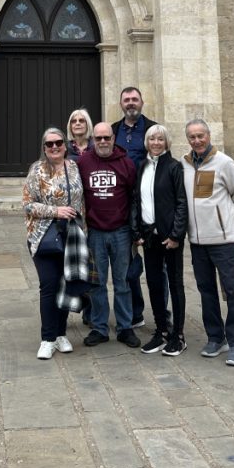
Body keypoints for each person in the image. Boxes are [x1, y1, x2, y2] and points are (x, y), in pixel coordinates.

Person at [181, 118, 234, 367]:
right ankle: (215, 337)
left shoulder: (225, 163)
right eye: (192, 137)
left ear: (208, 136)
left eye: (201, 135)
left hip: (224, 240)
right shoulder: (184, 165)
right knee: (206, 290)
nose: (197, 140)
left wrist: (230, 226)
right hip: (197, 241)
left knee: (232, 291)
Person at [22, 127, 84, 360]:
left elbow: (82, 201)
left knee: (66, 284)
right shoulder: (36, 170)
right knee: (48, 286)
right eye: (50, 144)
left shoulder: (74, 167)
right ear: (44, 148)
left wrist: (82, 230)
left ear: (65, 145)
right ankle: (47, 338)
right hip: (43, 236)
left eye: (58, 142)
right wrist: (55, 211)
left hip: (71, 235)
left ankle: (60, 333)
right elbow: (28, 205)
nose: (55, 147)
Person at [78, 122, 140, 348]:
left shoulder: (127, 163)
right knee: (97, 283)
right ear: (92, 139)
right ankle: (99, 327)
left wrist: (135, 230)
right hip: (95, 232)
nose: (103, 142)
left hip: (121, 232)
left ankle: (125, 328)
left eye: (107, 138)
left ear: (114, 139)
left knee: (123, 282)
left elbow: (134, 197)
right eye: (98, 138)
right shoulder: (83, 162)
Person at [132, 124, 188, 356]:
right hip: (149, 237)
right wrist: (137, 232)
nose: (156, 143)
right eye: (152, 139)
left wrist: (176, 235)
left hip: (169, 237)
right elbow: (136, 201)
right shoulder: (142, 166)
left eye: (160, 139)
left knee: (175, 284)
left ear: (167, 143)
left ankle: (179, 336)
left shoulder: (174, 167)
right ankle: (162, 331)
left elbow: (181, 203)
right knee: (155, 284)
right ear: (146, 142)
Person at [111, 86, 160, 328]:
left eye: (134, 99)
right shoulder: (113, 130)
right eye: (126, 100)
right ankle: (135, 312)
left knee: (156, 265)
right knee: (128, 263)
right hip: (121, 203)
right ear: (121, 104)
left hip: (148, 203)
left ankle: (161, 315)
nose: (131, 103)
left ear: (142, 102)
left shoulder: (153, 129)